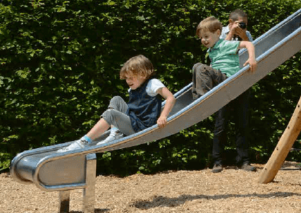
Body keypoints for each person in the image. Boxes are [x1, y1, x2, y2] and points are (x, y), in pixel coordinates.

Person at [60, 55, 176, 152]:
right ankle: (116, 132)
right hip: (134, 121)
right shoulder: (133, 89)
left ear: (143, 74)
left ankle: (83, 142)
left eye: (131, 78)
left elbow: (170, 98)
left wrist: (163, 116)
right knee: (116, 99)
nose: (128, 81)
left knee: (111, 114)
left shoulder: (153, 83)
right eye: (126, 78)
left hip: (142, 127)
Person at [192, 16, 258, 173]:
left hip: (234, 82)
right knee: (220, 125)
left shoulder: (226, 44)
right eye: (201, 38)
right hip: (222, 88)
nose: (203, 40)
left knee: (242, 124)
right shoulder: (212, 50)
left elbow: (248, 43)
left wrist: (252, 58)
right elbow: (221, 43)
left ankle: (243, 161)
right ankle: (217, 161)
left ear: (217, 33)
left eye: (206, 36)